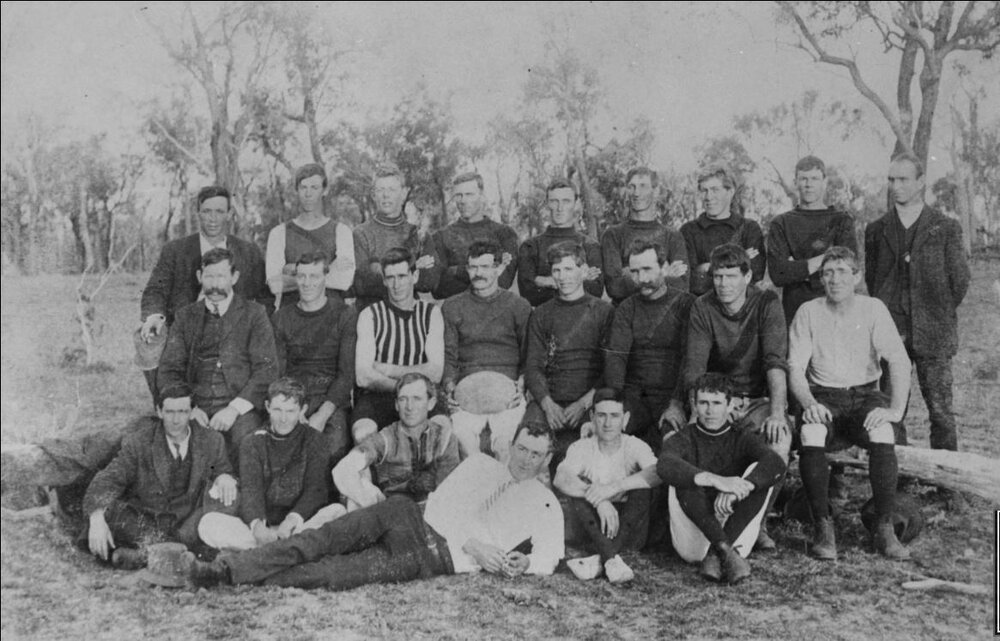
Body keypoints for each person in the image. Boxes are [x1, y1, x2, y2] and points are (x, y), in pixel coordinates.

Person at [183, 422, 564, 590]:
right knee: (322, 539)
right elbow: (440, 509)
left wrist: (528, 562)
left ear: (548, 458)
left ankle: (237, 575)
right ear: (510, 446)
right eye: (522, 450)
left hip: (429, 558)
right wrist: (474, 544)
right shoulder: (481, 466)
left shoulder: (546, 505)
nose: (526, 460)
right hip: (408, 517)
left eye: (536, 455)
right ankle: (224, 569)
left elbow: (550, 555)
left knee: (332, 574)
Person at [788, 246, 912, 560]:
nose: (835, 279)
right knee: (811, 432)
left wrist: (895, 409)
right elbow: (795, 368)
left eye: (843, 271)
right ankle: (823, 526)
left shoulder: (873, 309)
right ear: (820, 279)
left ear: (856, 277)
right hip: (825, 395)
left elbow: (898, 360)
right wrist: (807, 401)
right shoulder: (809, 310)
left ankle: (884, 527)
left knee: (883, 430)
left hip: (865, 395)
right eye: (828, 272)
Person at [681, 243, 791, 549]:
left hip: (758, 396)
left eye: (731, 276)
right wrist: (707, 410)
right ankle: (709, 522)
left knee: (778, 441)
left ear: (748, 276)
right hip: (719, 395)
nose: (723, 284)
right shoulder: (703, 306)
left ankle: (760, 521)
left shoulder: (767, 302)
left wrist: (778, 412)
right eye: (717, 276)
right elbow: (694, 369)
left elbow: (775, 361)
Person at [864, 152, 970, 452]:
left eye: (903, 179)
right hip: (891, 332)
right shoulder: (876, 229)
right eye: (891, 180)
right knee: (890, 409)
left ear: (921, 182)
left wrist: (933, 311)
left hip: (933, 332)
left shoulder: (945, 227)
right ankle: (896, 478)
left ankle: (947, 483)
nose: (895, 186)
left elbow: (959, 281)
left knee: (940, 411)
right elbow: (874, 280)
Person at [80, 389, 238, 569]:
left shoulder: (211, 440)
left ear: (193, 412)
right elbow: (108, 479)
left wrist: (225, 477)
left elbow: (224, 470)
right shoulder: (139, 442)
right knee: (109, 512)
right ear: (159, 411)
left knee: (228, 497)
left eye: (182, 412)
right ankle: (174, 554)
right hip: (149, 521)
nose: (176, 420)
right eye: (170, 412)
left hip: (190, 524)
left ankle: (147, 556)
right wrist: (97, 517)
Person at [139, 186, 266, 405]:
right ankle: (167, 406)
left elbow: (265, 295)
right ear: (198, 213)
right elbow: (155, 289)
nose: (213, 218)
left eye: (219, 211)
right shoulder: (176, 250)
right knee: (147, 339)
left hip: (233, 326)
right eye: (207, 211)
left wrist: (256, 322)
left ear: (229, 214)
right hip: (184, 328)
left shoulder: (248, 252)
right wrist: (154, 316)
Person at [657, 374, 786, 584]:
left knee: (760, 473)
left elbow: (776, 463)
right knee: (685, 475)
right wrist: (713, 479)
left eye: (717, 403)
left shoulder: (741, 436)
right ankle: (723, 549)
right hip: (695, 539)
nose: (710, 410)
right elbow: (664, 464)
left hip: (734, 529)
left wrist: (739, 490)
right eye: (703, 403)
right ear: (694, 405)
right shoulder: (685, 437)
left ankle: (717, 553)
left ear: (729, 405)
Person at [156, 248, 278, 464]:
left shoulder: (254, 314)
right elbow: (169, 369)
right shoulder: (186, 316)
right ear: (199, 277)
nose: (214, 284)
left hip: (239, 407)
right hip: (196, 407)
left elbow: (266, 370)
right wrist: (190, 408)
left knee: (246, 443)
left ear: (234, 277)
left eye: (221, 276)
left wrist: (233, 409)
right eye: (209, 276)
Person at [198, 378, 344, 550]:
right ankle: (289, 549)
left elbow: (315, 490)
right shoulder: (252, 442)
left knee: (338, 511)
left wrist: (291, 520)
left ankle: (272, 550)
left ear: (302, 410)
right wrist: (258, 527)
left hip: (297, 525)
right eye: (277, 410)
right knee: (208, 524)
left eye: (290, 411)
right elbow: (251, 491)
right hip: (265, 527)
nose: (283, 419)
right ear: (267, 407)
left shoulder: (316, 440)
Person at [523, 242, 613, 470]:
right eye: (556, 270)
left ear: (583, 271)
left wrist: (585, 403)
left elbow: (612, 366)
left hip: (589, 399)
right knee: (527, 441)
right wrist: (546, 403)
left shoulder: (603, 312)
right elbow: (533, 366)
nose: (563, 277)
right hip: (551, 399)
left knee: (588, 457)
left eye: (569, 269)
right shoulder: (541, 314)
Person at [554, 389, 658, 584]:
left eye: (615, 416)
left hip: (628, 527)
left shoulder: (634, 445)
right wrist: (598, 499)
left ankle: (605, 558)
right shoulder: (582, 447)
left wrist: (614, 488)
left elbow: (657, 473)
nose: (608, 423)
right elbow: (561, 478)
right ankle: (611, 559)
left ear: (625, 419)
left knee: (642, 486)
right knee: (579, 485)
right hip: (591, 527)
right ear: (592, 417)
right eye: (601, 416)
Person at [442, 241, 532, 461]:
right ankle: (480, 491)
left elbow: (530, 353)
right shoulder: (453, 306)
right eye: (473, 267)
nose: (478, 273)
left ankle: (505, 494)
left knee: (505, 446)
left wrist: (523, 383)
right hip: (467, 391)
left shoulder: (518, 306)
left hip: (507, 391)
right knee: (465, 444)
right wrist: (449, 386)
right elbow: (449, 355)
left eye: (485, 267)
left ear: (499, 269)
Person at [604, 239, 694, 447]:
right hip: (635, 397)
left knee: (674, 449)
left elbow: (691, 359)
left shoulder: (686, 304)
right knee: (610, 440)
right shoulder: (627, 308)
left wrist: (677, 403)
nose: (641, 278)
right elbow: (616, 359)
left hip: (673, 396)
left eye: (647, 269)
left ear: (664, 268)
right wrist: (617, 405)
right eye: (634, 272)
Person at [352, 247, 445, 443]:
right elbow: (363, 377)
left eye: (402, 276)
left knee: (442, 429)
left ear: (415, 275)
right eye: (391, 278)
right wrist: (402, 390)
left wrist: (387, 368)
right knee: (363, 433)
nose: (397, 284)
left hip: (422, 396)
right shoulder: (370, 314)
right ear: (384, 280)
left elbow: (435, 372)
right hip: (378, 397)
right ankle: (374, 475)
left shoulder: (431, 313)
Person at [271, 251, 356, 463]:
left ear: (325, 278)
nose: (307, 283)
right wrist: (292, 410)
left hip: (330, 400)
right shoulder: (281, 318)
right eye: (302, 276)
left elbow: (346, 375)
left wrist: (321, 415)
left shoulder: (344, 314)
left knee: (333, 447)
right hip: (294, 400)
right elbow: (278, 372)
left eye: (314, 276)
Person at [333, 373, 460, 511]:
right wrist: (375, 504)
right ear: (396, 405)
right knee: (351, 501)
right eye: (403, 399)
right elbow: (341, 470)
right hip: (394, 516)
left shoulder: (444, 437)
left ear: (431, 403)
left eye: (417, 399)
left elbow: (447, 492)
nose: (409, 407)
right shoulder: (385, 439)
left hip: (433, 514)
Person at [766, 155, 858, 324]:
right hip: (795, 308)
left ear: (825, 181)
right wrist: (828, 258)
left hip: (834, 306)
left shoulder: (841, 220)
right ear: (795, 183)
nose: (808, 185)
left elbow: (849, 265)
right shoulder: (782, 222)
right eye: (803, 179)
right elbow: (778, 274)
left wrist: (797, 268)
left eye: (814, 178)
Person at [265, 163, 356, 309]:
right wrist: (328, 270)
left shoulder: (341, 231)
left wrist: (294, 270)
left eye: (314, 188)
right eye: (303, 187)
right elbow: (274, 285)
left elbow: (344, 281)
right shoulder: (279, 233)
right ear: (296, 190)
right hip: (292, 317)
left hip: (332, 316)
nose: (308, 194)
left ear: (324, 190)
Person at [352, 164, 436, 309]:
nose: (386, 195)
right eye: (380, 190)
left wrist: (379, 268)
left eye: (392, 189)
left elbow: (429, 281)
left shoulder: (418, 234)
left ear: (403, 194)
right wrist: (414, 266)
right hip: (372, 313)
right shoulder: (361, 233)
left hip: (410, 312)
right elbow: (363, 284)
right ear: (373, 195)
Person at [601, 167, 688, 305]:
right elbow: (614, 287)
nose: (636, 193)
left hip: (664, 316)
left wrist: (629, 274)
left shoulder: (672, 236)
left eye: (643, 186)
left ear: (656, 191)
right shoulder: (613, 235)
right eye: (631, 187)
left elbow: (681, 286)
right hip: (625, 317)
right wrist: (662, 273)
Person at [429, 171, 520, 301]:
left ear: (482, 196)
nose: (463, 201)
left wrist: (454, 271)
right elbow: (438, 289)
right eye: (458, 195)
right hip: (456, 313)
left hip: (496, 313)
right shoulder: (441, 236)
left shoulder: (504, 234)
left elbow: (503, 282)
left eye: (469, 194)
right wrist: (485, 271)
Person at [517, 178, 603, 306]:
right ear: (547, 203)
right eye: (554, 201)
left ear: (576, 203)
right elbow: (528, 293)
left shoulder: (590, 246)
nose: (560, 208)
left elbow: (595, 291)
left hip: (582, 318)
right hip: (543, 319)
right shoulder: (531, 246)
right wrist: (579, 279)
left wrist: (543, 280)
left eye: (566, 201)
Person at [680, 166, 764, 296]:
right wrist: (740, 261)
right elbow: (690, 280)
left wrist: (705, 268)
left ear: (730, 192)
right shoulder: (689, 231)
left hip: (742, 311)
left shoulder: (749, 228)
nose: (708, 197)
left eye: (715, 190)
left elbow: (755, 275)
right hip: (701, 308)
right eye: (704, 190)